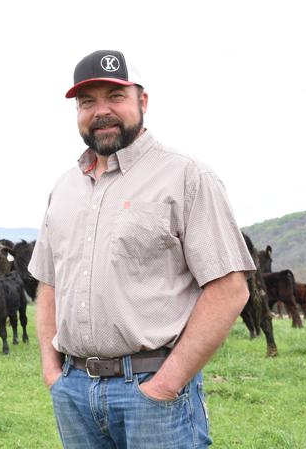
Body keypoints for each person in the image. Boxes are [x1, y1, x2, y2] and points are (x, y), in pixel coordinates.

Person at [28, 49, 255, 448]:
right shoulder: (64, 188)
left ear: (142, 101)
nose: (102, 111)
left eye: (115, 97)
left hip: (152, 391)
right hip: (75, 391)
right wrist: (53, 372)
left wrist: (166, 383)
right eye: (88, 101)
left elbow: (230, 288)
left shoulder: (186, 177)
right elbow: (48, 283)